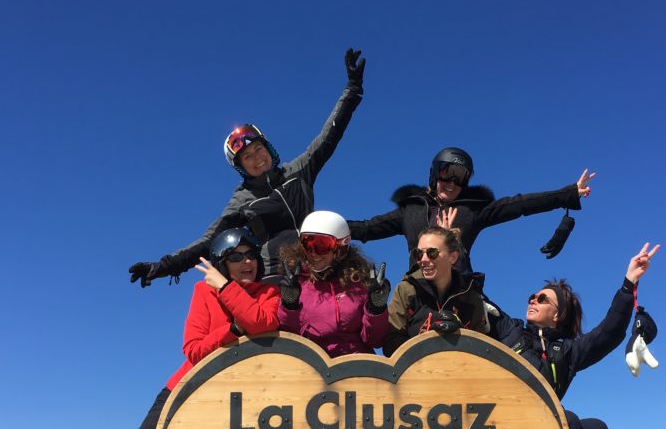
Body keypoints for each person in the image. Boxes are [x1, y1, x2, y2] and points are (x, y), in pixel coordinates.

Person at [40, 228, 280, 429]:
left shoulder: (269, 293)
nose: (246, 262)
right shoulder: (203, 292)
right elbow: (193, 350)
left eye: (251, 254)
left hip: (238, 399)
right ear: (222, 264)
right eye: (235, 257)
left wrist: (225, 289)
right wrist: (235, 327)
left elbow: (264, 323)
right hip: (186, 388)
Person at [128, 48, 365, 285]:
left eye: (259, 149)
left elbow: (329, 136)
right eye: (247, 157)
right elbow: (208, 241)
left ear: (269, 149)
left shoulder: (299, 171)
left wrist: (352, 91)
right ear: (240, 167)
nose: (257, 158)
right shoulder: (242, 201)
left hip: (316, 267)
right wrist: (163, 266)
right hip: (276, 280)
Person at [492, 243, 661, 429]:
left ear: (557, 315)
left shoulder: (566, 351)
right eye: (532, 296)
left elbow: (607, 334)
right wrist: (453, 242)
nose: (532, 300)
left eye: (542, 299)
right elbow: (475, 297)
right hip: (506, 428)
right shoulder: (510, 331)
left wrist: (629, 283)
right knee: (566, 420)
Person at [348, 147, 595, 275]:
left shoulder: (472, 210)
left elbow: (520, 204)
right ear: (435, 174)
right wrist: (315, 225)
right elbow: (368, 228)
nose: (452, 183)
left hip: (460, 287)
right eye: (447, 174)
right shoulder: (411, 209)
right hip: (417, 288)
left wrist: (568, 193)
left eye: (461, 177)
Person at [277, 211, 390, 356]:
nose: (313, 253)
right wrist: (289, 305)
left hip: (354, 365)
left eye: (321, 245)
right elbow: (288, 339)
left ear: (341, 247)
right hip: (312, 365)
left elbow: (375, 341)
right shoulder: (297, 283)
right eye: (307, 244)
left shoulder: (358, 283)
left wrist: (376, 309)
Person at [383, 227, 490, 357]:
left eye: (432, 253)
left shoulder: (470, 295)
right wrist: (426, 347)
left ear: (453, 257)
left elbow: (482, 348)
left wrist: (459, 334)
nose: (423, 259)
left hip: (460, 371)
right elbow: (390, 343)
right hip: (416, 372)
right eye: (418, 254)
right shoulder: (406, 290)